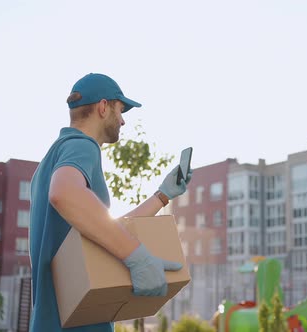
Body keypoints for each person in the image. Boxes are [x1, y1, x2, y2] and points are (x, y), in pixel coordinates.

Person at [28, 73, 193, 331]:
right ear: (103, 107)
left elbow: (101, 228)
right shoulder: (82, 145)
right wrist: (137, 256)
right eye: (120, 109)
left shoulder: (53, 157)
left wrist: (162, 196)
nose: (123, 120)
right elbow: (64, 194)